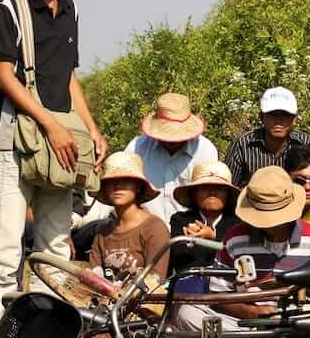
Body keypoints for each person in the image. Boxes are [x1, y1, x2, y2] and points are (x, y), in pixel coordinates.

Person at [0, 0, 107, 326]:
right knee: (4, 250)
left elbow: (69, 77)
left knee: (54, 247)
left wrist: (90, 128)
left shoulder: (70, 9)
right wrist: (50, 125)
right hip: (16, 142)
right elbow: (5, 76)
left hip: (61, 146)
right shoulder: (6, 9)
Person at [172, 166, 310, 338]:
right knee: (188, 314)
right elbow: (218, 297)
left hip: (297, 323)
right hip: (241, 325)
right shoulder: (235, 239)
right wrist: (252, 313)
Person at [81, 93, 218, 227]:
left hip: (189, 231)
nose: (172, 141)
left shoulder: (205, 151)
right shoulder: (137, 148)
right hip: (143, 229)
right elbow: (119, 186)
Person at [88, 151, 171, 285]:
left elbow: (155, 279)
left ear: (138, 186)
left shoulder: (154, 228)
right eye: (111, 181)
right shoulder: (102, 231)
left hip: (142, 302)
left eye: (126, 180)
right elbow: (94, 274)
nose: (118, 186)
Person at [224, 86, 310, 187]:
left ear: (294, 119)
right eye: (273, 114)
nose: (278, 121)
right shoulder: (243, 144)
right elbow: (229, 187)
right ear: (262, 117)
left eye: (285, 115)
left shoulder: (303, 143)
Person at [168, 162, 240, 276]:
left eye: (219, 188)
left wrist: (213, 238)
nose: (212, 192)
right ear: (194, 193)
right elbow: (178, 254)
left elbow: (240, 254)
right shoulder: (180, 220)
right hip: (187, 286)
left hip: (228, 286)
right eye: (205, 188)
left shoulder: (237, 223)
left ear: (228, 194)